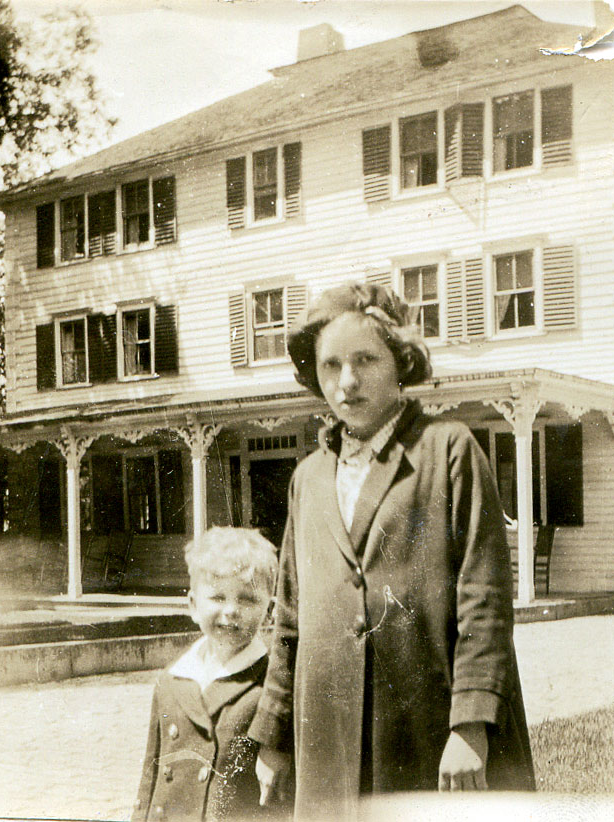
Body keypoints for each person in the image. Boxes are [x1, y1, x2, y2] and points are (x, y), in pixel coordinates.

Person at [248, 283, 535, 819]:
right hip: (327, 737)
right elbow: (289, 617)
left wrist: (470, 724)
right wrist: (274, 734)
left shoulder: (447, 450)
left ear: (400, 361)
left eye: (366, 359)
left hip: (427, 725)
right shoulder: (308, 478)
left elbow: (485, 599)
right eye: (331, 365)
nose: (347, 381)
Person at [132, 526, 291, 821]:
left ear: (269, 611)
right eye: (218, 597)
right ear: (193, 605)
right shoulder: (172, 679)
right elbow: (150, 776)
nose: (231, 610)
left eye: (247, 599)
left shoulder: (273, 688)